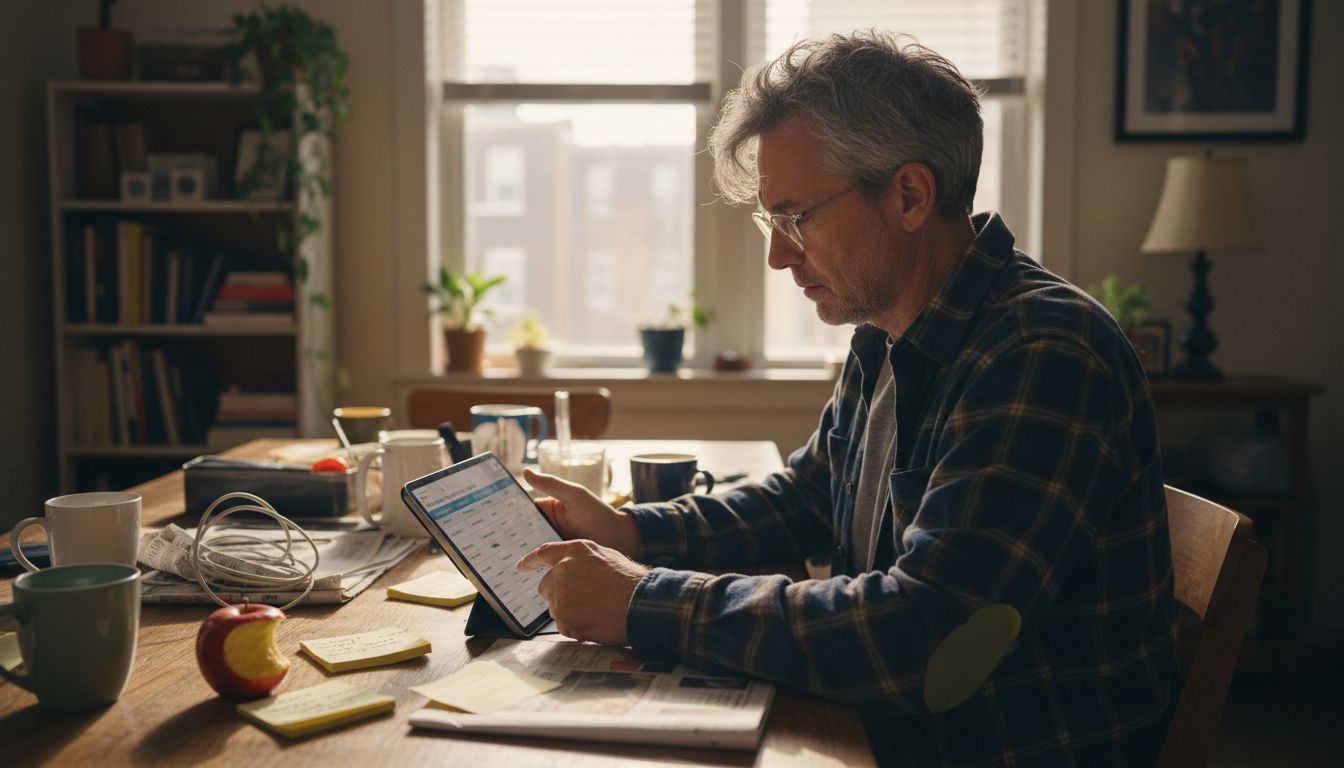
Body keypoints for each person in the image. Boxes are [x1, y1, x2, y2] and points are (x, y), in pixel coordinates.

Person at [517, 31, 1176, 767]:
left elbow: (924, 635)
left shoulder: (1044, 353)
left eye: (797, 217)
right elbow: (807, 499)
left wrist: (644, 601)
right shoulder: (893, 327)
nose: (778, 255)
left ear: (910, 195)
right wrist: (628, 534)